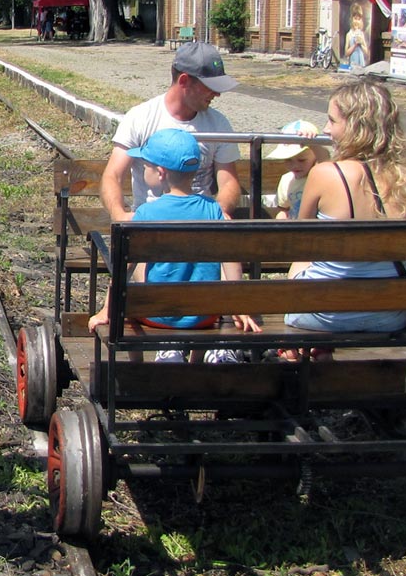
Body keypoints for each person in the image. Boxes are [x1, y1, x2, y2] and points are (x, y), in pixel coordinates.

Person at [87, 129, 259, 361]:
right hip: (204, 318)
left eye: (145, 165)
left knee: (134, 288)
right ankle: (197, 363)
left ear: (160, 173)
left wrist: (106, 310)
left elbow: (123, 269)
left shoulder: (147, 213)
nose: (143, 169)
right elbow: (231, 261)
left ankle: (137, 368)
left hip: (158, 316)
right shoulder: (214, 210)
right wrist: (239, 304)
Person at [284, 81, 406, 337]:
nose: (326, 129)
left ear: (355, 127)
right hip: (389, 316)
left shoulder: (325, 174)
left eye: (332, 121)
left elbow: (301, 244)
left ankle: (309, 350)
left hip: (321, 315)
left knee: (301, 262)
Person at [102, 41, 243, 220]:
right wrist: (119, 215)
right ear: (184, 80)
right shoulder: (141, 117)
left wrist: (218, 215)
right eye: (210, 86)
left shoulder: (218, 124)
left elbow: (229, 181)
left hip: (201, 227)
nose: (217, 94)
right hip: (148, 227)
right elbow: (113, 175)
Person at [265, 119, 330, 220]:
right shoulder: (286, 180)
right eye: (288, 160)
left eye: (302, 160)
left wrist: (313, 143)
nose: (294, 165)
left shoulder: (320, 176)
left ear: (315, 155)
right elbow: (284, 209)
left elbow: (325, 158)